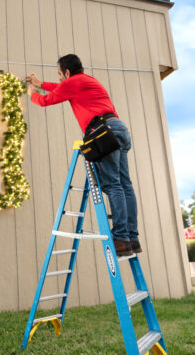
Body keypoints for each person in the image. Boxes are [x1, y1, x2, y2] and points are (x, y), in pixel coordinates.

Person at [26, 54, 142, 257]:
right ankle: (132, 238)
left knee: (113, 184)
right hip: (119, 128)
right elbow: (61, 88)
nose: (60, 79)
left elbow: (46, 101)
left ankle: (121, 238)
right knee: (125, 184)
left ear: (67, 73)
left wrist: (32, 93)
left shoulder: (74, 82)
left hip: (103, 131)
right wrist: (42, 83)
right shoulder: (87, 80)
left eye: (60, 75)